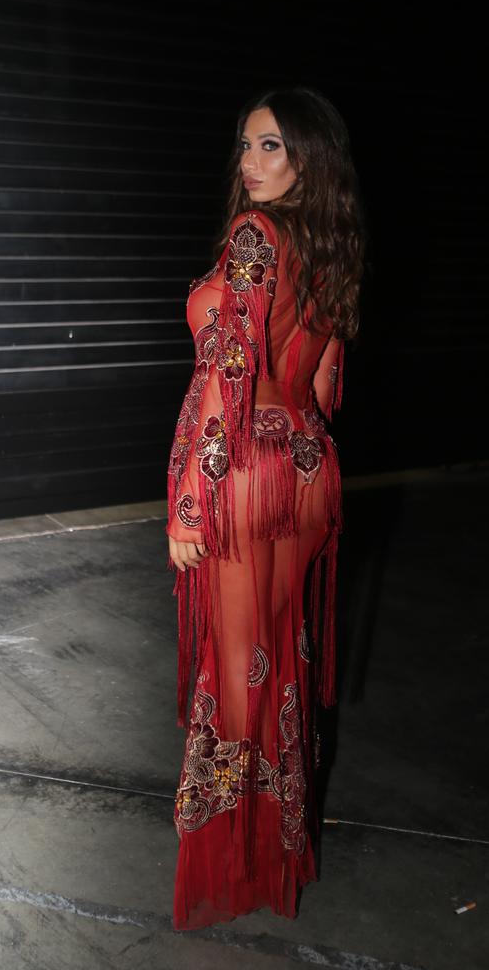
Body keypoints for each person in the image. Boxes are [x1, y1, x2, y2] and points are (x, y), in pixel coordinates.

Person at [165, 85, 366, 930]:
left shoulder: (255, 235)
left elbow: (229, 372)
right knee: (279, 665)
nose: (249, 161)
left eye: (271, 145)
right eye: (247, 144)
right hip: (311, 466)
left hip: (247, 473)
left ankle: (236, 866)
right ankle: (274, 848)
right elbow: (323, 379)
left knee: (238, 672)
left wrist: (191, 498)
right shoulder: (331, 243)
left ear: (307, 157)